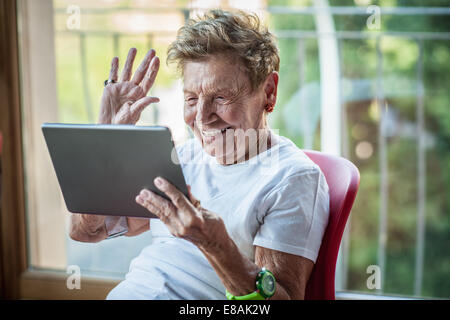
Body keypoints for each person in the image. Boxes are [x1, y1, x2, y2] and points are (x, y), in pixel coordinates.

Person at [69, 9, 330, 300]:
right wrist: (104, 141)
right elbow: (87, 231)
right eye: (191, 99)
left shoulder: (292, 178)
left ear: (268, 92)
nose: (203, 118)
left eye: (220, 97)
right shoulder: (181, 156)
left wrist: (216, 245)